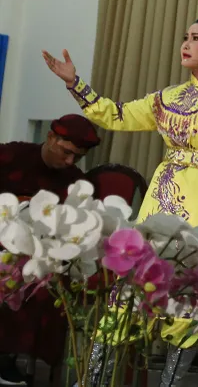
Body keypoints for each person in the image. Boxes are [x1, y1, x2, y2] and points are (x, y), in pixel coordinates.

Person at [42, 0, 198, 387]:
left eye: (196, 38)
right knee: (130, 292)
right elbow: (114, 114)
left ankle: (169, 383)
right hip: (161, 196)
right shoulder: (166, 98)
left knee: (188, 299)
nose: (186, 44)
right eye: (186, 36)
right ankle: (92, 382)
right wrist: (74, 83)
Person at [0, 115, 100, 386]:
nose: (69, 161)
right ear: (51, 137)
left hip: (40, 255)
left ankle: (8, 359)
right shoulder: (10, 156)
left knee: (43, 286)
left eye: (77, 157)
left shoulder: (76, 183)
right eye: (66, 152)